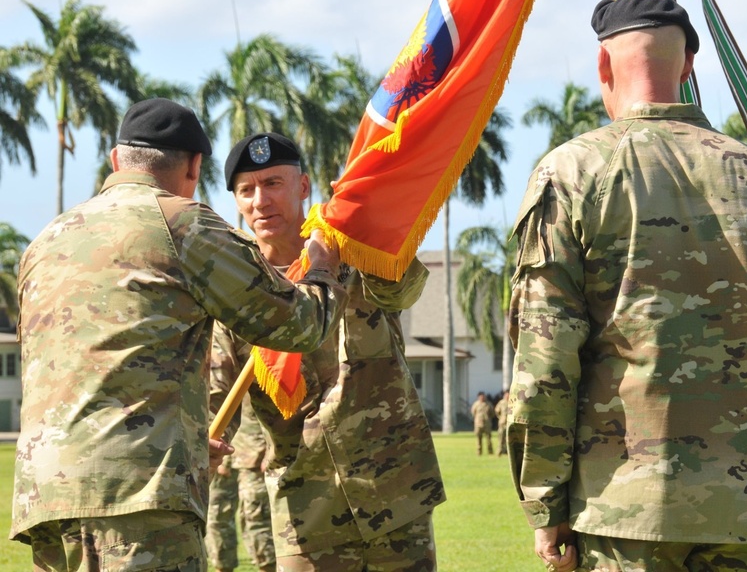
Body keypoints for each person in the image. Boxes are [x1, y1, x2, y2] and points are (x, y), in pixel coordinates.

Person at [505, 0, 747, 572]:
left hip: (623, 514)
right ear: (688, 66)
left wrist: (545, 503)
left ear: (603, 66)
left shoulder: (572, 172)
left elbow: (545, 360)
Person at [11, 99, 346, 570]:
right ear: (194, 167)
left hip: (46, 497)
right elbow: (301, 324)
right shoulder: (182, 222)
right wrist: (322, 269)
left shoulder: (46, 241)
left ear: (115, 161)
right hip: (139, 495)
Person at [211, 132, 445, 571]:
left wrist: (374, 222)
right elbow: (215, 398)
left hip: (394, 492)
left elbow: (406, 289)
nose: (260, 201)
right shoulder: (236, 293)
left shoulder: (353, 254)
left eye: (273, 184)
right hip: (305, 511)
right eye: (247, 190)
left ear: (302, 187)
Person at [205, 396, 275, 572]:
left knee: (256, 517)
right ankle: (222, 566)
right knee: (217, 514)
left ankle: (267, 567)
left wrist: (271, 450)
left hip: (255, 455)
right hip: (220, 448)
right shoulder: (211, 371)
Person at [471, 392, 494, 456]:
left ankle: (490, 452)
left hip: (487, 424)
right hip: (478, 424)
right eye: (481, 396)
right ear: (479, 397)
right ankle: (479, 452)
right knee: (478, 439)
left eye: (483, 396)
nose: (482, 398)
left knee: (488, 439)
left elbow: (492, 413)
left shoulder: (488, 404)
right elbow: (473, 412)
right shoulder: (476, 404)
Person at [495, 390, 510, 456]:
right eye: (506, 394)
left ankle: (507, 452)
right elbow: (497, 411)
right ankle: (499, 451)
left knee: (509, 439)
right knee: (501, 438)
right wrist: (501, 418)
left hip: (509, 423)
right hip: (502, 423)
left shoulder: (512, 402)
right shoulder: (501, 403)